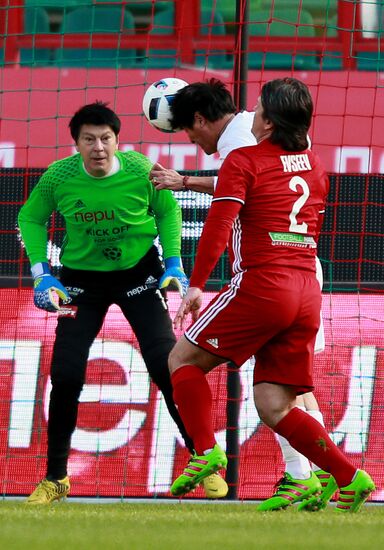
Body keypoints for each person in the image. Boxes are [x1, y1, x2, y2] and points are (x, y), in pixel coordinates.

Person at [167, 78, 375, 513]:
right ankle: (349, 478)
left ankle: (205, 451)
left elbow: (219, 226)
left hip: (263, 284)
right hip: (306, 291)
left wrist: (198, 285)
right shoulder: (315, 165)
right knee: (275, 403)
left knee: (182, 360)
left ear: (270, 121)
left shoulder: (244, 160)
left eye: (259, 109)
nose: (253, 114)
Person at [17, 100, 222, 504]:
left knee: (168, 367)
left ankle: (203, 459)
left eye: (105, 138)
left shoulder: (141, 170)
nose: (98, 147)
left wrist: (175, 264)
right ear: (76, 143)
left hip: (138, 275)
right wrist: (43, 274)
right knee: (66, 373)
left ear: (117, 141)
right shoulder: (59, 176)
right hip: (80, 284)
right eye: (89, 139)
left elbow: (167, 211)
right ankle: (56, 478)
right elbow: (29, 218)